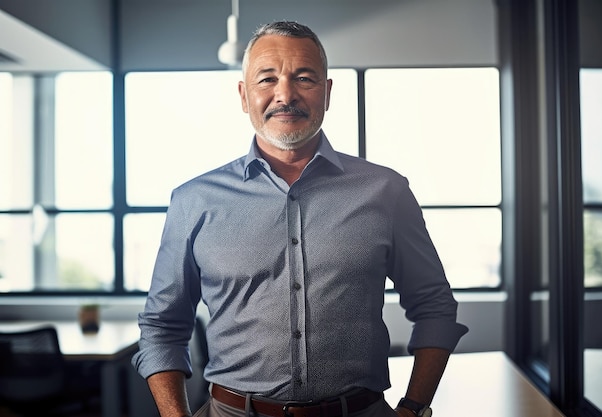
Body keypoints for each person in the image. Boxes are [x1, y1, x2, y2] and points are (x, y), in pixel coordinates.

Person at [132, 20, 468, 417]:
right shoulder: (193, 201)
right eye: (267, 79)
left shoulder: (387, 191)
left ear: (326, 93)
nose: (285, 95)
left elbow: (435, 306)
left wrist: (414, 408)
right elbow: (161, 327)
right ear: (244, 95)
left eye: (304, 78)